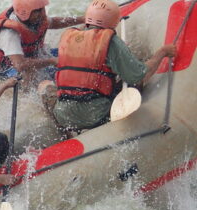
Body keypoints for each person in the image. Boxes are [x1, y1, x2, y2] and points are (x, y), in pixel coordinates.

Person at [52, 0, 177, 132]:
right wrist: (162, 52)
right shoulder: (111, 42)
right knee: (134, 83)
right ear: (113, 22)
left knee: (46, 86)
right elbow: (138, 75)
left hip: (63, 115)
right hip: (94, 115)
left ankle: (62, 131)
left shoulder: (68, 38)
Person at [0, 0, 84, 81]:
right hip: (9, 70)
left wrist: (83, 19)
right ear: (24, 12)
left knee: (68, 52)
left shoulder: (34, 18)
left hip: (33, 58)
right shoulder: (9, 33)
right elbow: (20, 65)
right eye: (38, 10)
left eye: (42, 8)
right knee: (29, 73)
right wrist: (52, 61)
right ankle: (45, 90)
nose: (43, 13)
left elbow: (55, 23)